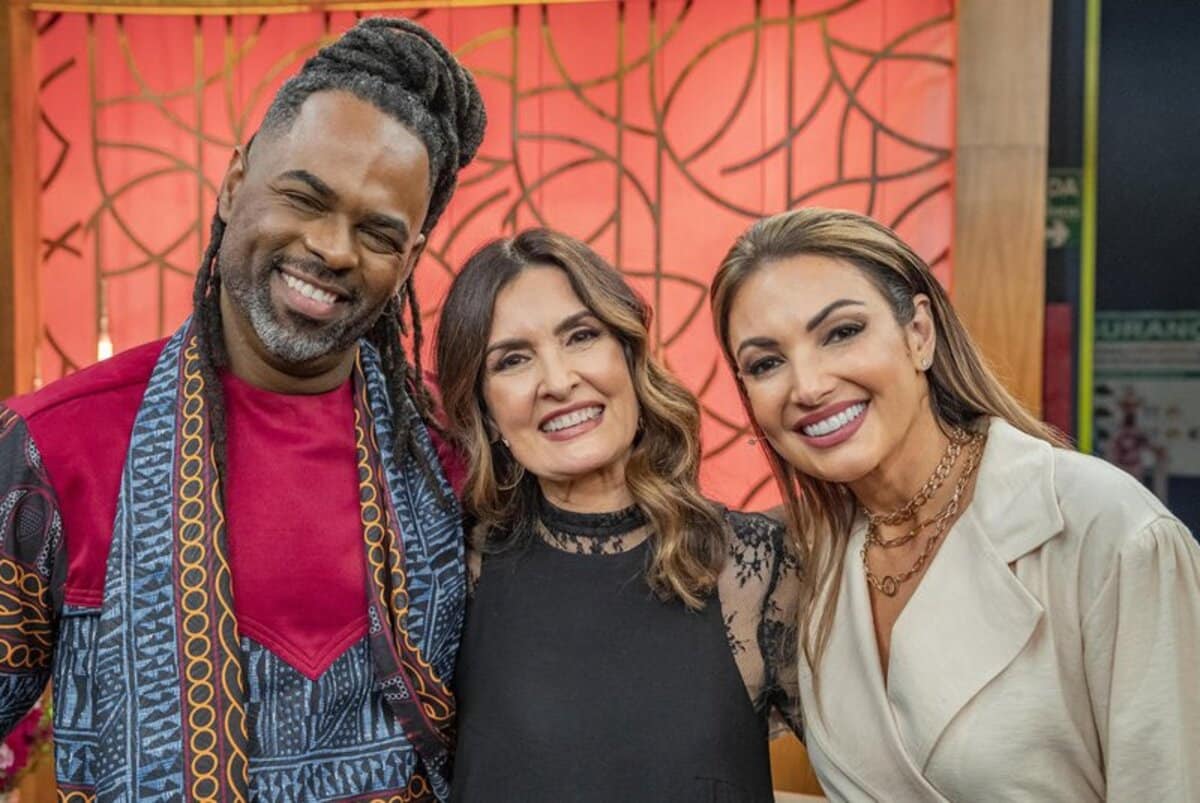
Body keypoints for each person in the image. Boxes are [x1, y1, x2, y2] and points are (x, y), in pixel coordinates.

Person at [0, 18, 485, 801]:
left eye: (377, 232)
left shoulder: (450, 458)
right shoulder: (55, 448)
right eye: (304, 196)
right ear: (234, 183)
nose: (332, 248)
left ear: (409, 262)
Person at [709, 207, 1200, 801]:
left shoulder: (1109, 531)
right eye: (767, 363)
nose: (808, 386)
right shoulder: (804, 561)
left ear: (919, 333)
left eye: (841, 332)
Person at [434, 229, 802, 803]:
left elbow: (887, 773)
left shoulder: (754, 567)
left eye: (581, 336)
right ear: (484, 410)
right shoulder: (452, 572)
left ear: (629, 355)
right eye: (512, 360)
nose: (557, 382)